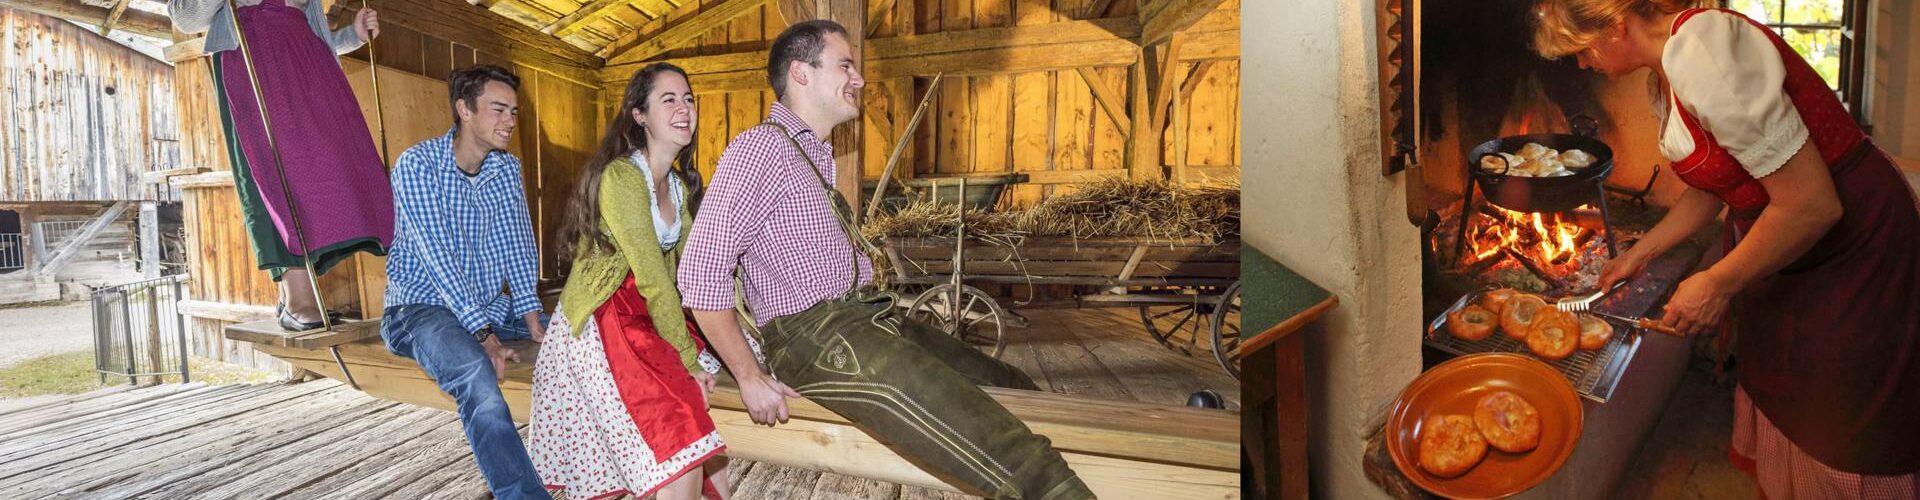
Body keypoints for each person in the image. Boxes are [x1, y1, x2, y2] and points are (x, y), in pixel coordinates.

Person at [676, 20, 1094, 500]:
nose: (858, 79)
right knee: (1002, 445)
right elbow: (700, 271)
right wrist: (749, 375)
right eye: (845, 66)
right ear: (801, 73)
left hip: (862, 317)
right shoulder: (760, 149)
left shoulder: (811, 153)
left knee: (1008, 385)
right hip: (813, 337)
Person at [1534, 1, 1920, 496]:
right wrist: (1639, 253)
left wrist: (1716, 282)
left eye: (1582, 50)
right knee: (1791, 387)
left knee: (1843, 417)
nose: (1583, 64)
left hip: (1853, 249)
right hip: (1783, 241)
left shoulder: (1705, 52)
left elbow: (1811, 206)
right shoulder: (1664, 76)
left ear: (1616, 25)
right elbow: (1715, 185)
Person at [529, 63, 730, 500]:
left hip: (644, 314)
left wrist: (746, 335)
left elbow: (698, 271)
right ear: (639, 116)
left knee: (707, 445)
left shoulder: (678, 186)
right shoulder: (622, 177)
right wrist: (688, 360)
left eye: (689, 99)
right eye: (669, 100)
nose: (684, 109)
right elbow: (653, 277)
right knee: (680, 429)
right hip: (602, 321)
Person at [169, 0, 394, 331]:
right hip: (253, 52)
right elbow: (186, 18)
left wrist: (352, 35)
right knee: (273, 172)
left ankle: (297, 292)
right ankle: (297, 298)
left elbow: (307, 32)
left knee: (331, 169)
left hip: (306, 61)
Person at [381, 65, 548, 499]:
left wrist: (531, 314)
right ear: (464, 110)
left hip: (487, 307)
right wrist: (485, 336)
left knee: (576, 333)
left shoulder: (506, 168)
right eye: (499, 109)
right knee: (478, 378)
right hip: (420, 309)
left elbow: (517, 241)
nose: (510, 120)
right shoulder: (417, 166)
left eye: (513, 111)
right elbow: (438, 261)